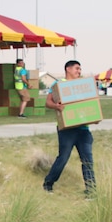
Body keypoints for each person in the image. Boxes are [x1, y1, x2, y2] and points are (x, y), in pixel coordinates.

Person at [42, 59, 95, 195]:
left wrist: (94, 116)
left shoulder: (83, 85)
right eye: (77, 68)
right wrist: (56, 106)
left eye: (80, 69)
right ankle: (49, 183)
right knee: (63, 158)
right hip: (66, 129)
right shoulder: (58, 84)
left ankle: (91, 190)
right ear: (68, 69)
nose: (79, 71)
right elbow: (48, 102)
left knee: (87, 160)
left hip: (83, 129)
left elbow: (90, 103)